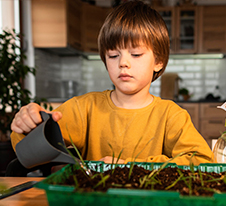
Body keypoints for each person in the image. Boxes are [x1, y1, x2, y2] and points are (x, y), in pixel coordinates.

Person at [10, 0, 213, 165]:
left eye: (135, 54)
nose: (123, 63)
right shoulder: (84, 109)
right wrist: (29, 125)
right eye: (113, 55)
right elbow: (26, 147)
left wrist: (132, 166)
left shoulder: (171, 116)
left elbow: (203, 160)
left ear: (158, 61)